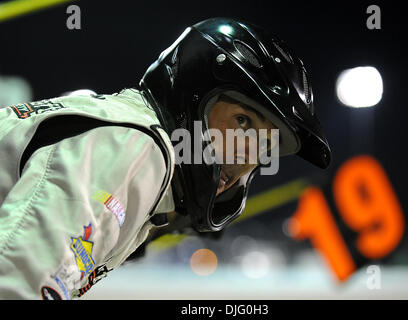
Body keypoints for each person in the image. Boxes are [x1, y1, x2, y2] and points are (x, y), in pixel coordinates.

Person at [0, 17, 331, 300]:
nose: (247, 153)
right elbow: (15, 286)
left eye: (265, 141)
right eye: (242, 121)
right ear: (188, 101)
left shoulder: (132, 144)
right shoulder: (134, 146)